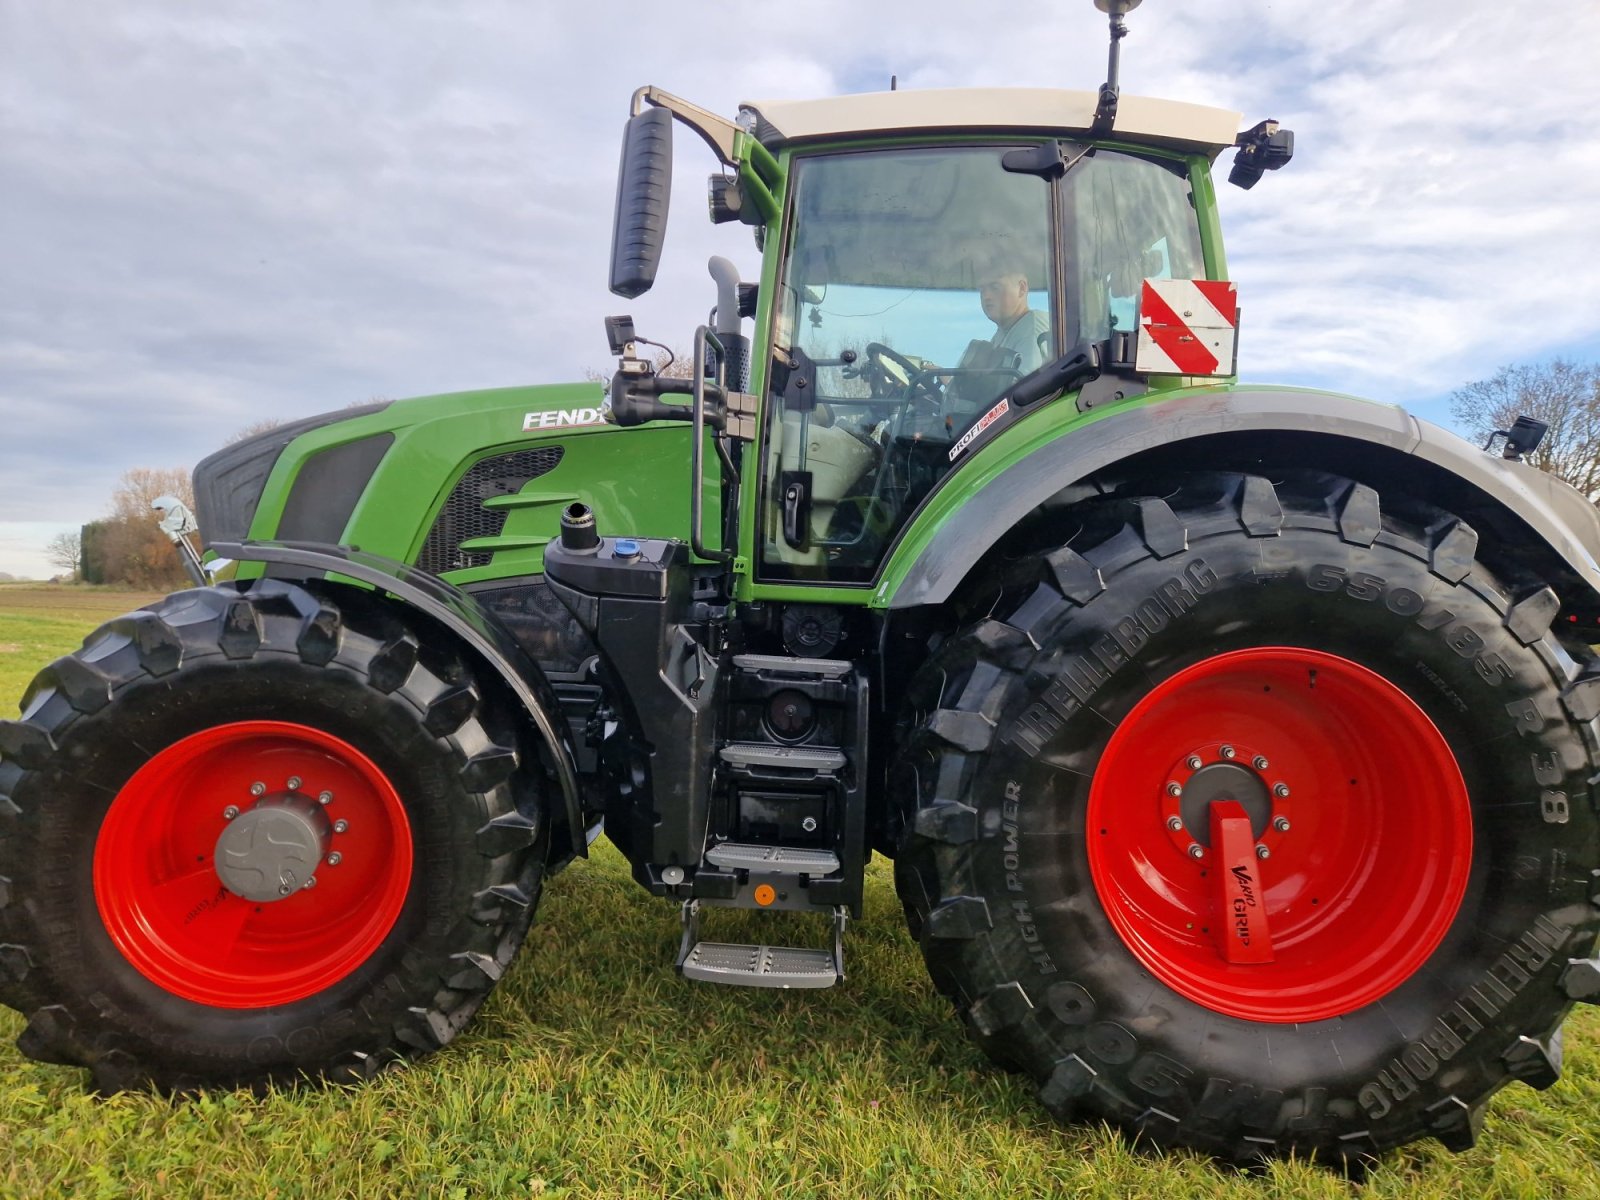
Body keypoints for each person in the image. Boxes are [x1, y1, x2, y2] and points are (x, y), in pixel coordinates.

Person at [978, 269, 1050, 374]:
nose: (986, 296)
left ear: (1022, 288)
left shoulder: (1031, 330)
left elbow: (1027, 387)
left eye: (995, 287)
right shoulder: (1004, 333)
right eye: (982, 290)